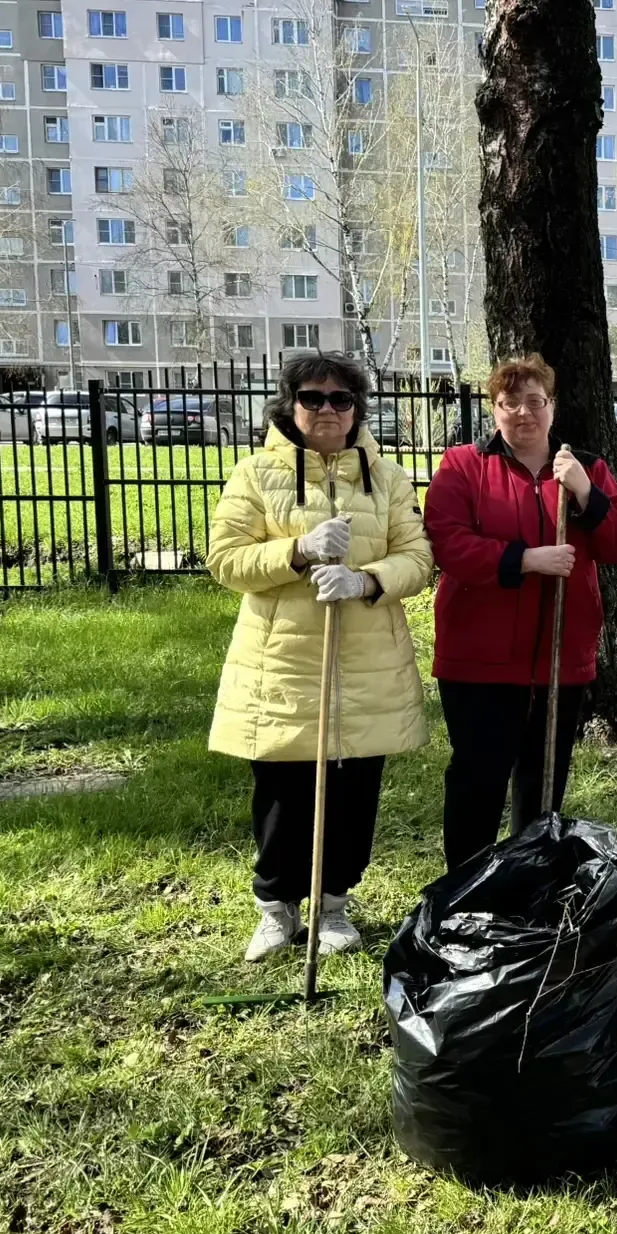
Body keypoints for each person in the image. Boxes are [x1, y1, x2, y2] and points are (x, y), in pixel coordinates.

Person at [207, 352, 432, 962]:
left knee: (353, 792)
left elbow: (418, 558)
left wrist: (367, 579)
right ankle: (276, 908)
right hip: (283, 663)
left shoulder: (387, 477)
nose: (327, 409)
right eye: (313, 398)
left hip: (365, 662)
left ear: (357, 408)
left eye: (341, 399)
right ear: (291, 405)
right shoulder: (256, 474)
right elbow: (225, 559)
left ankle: (333, 905)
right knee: (283, 795)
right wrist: (298, 551)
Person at [425, 355, 617, 873]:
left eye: (535, 401)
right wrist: (525, 560)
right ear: (494, 409)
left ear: (552, 406)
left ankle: (526, 881)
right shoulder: (464, 465)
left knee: (542, 783)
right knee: (478, 777)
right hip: (480, 657)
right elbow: (449, 543)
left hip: (561, 656)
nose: (524, 412)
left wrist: (584, 491)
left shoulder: (587, 468)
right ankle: (467, 886)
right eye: (510, 402)